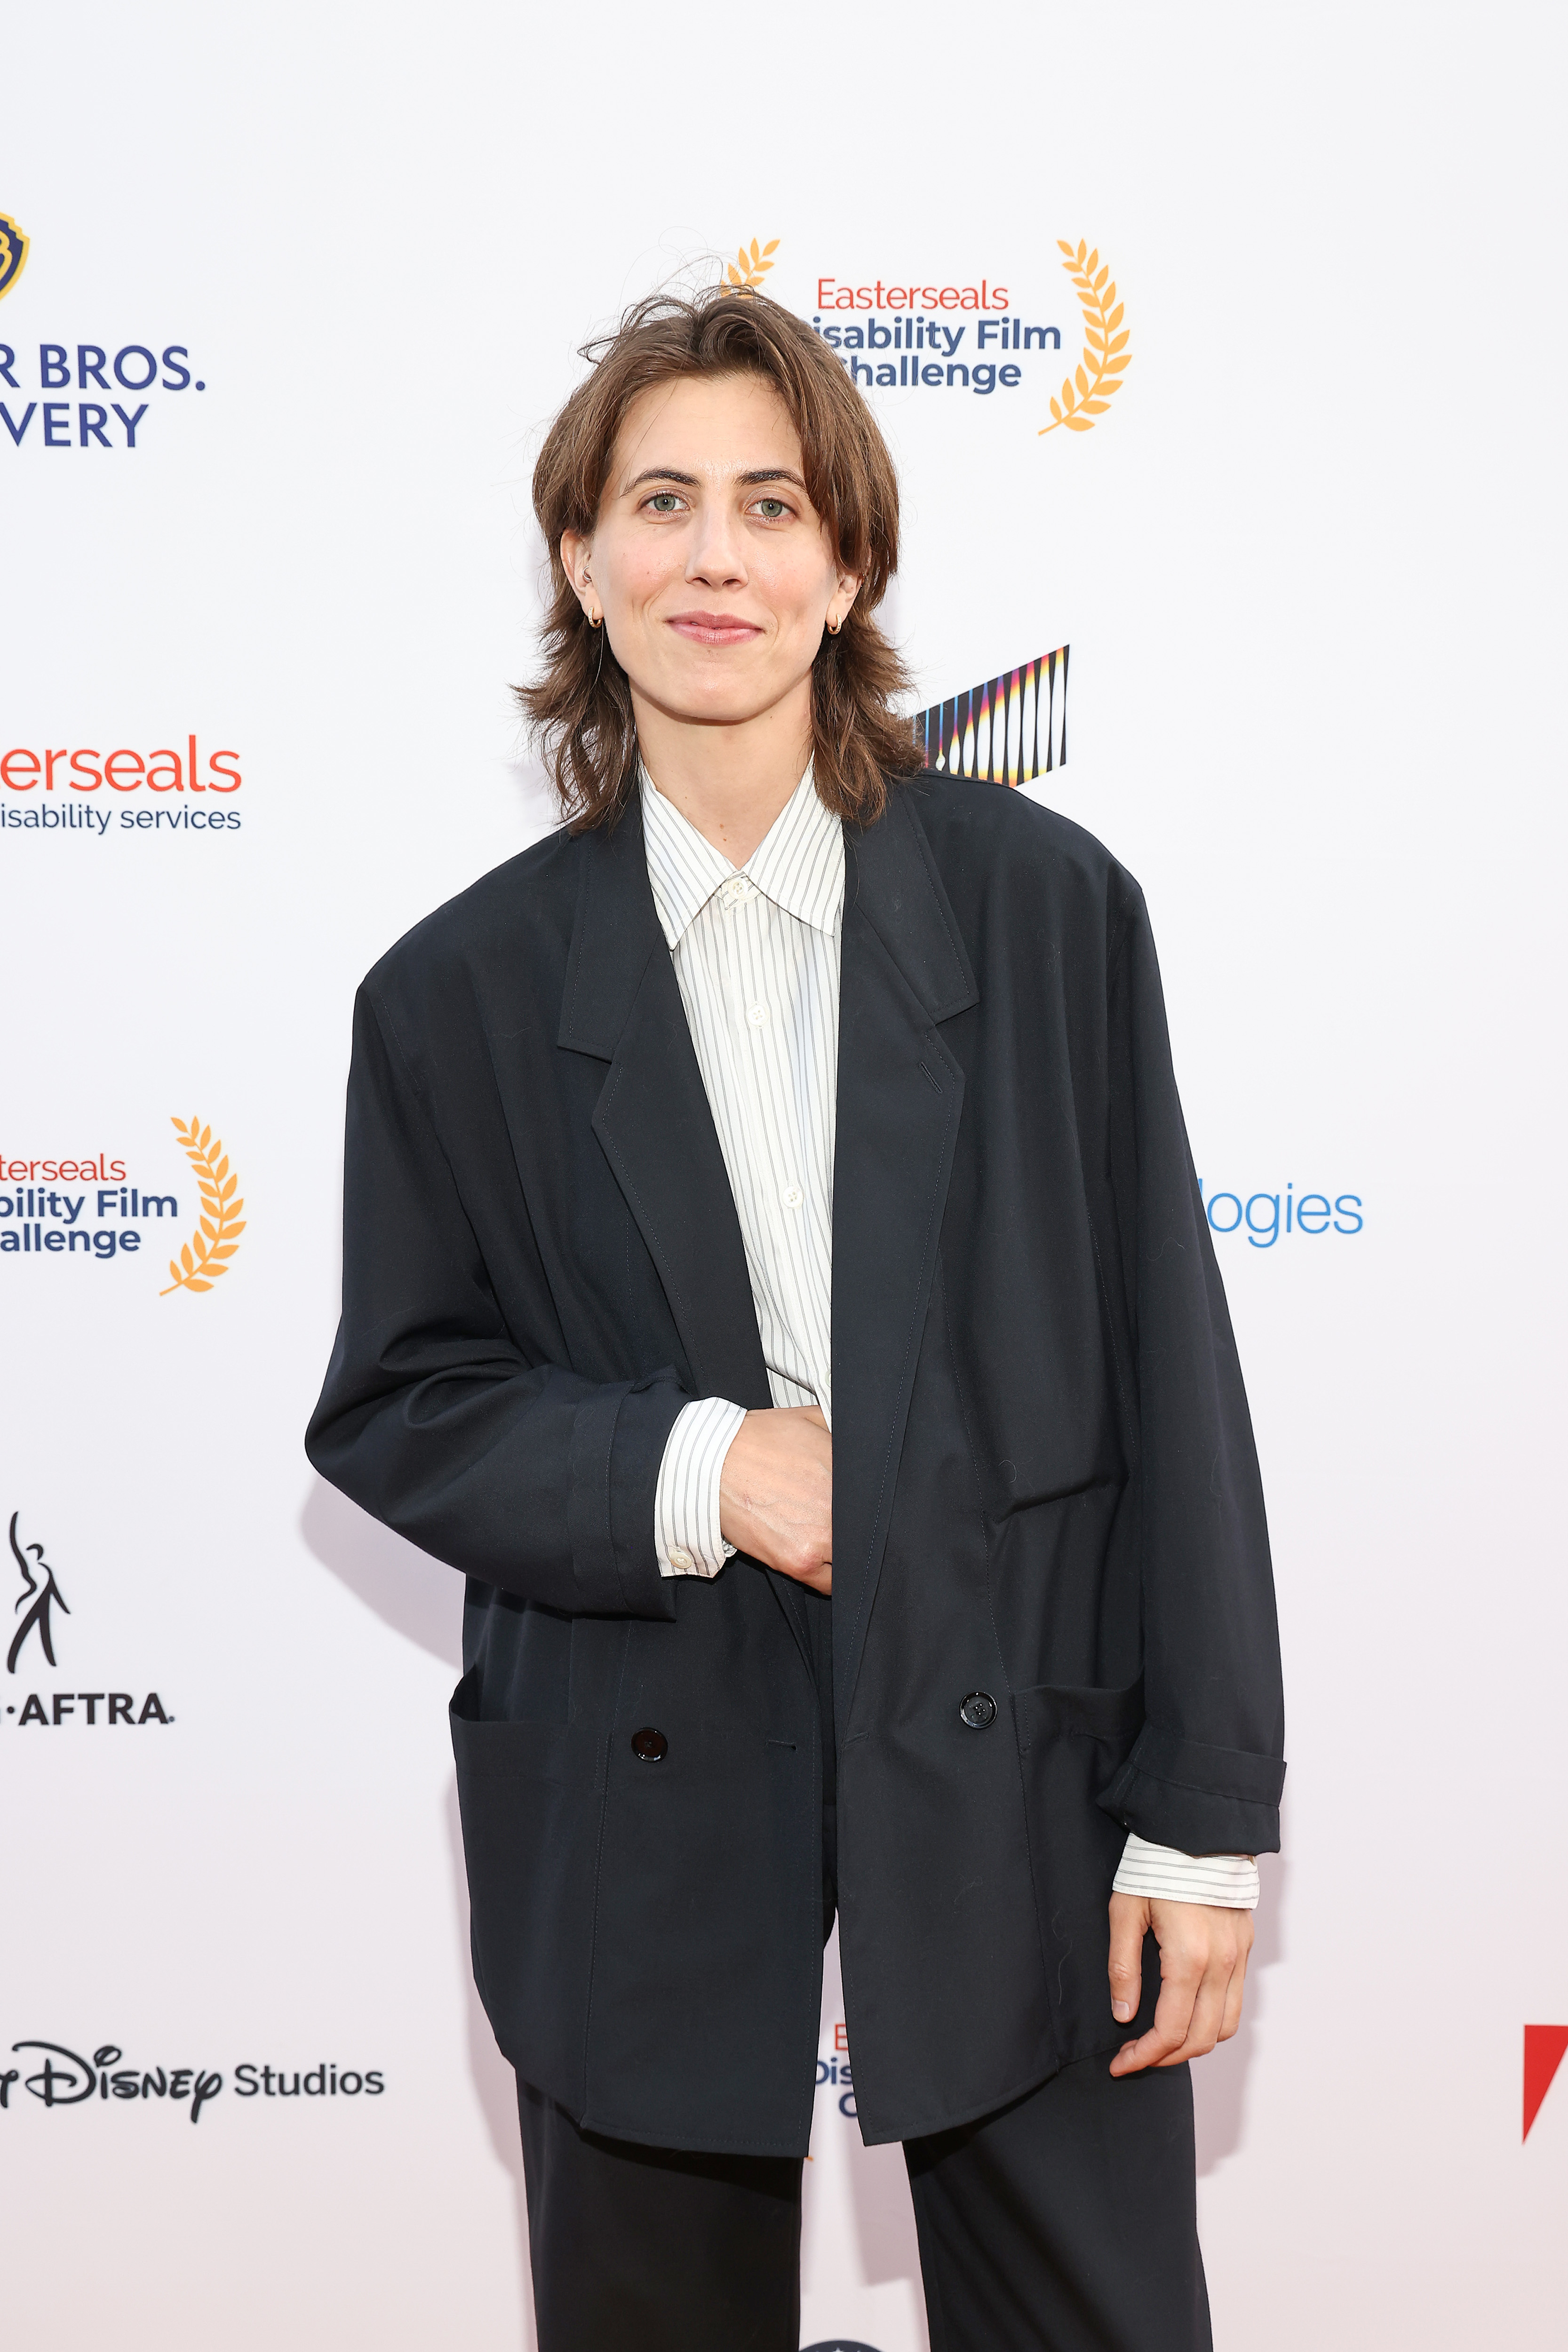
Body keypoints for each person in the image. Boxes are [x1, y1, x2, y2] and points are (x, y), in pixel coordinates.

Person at [305, 286, 1284, 2352]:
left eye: (772, 503)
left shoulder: (1048, 911)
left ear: (848, 565)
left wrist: (1204, 1814)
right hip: (635, 1790)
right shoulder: (452, 994)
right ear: (582, 558)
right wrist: (703, 1462)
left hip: (1031, 1763)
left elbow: (1173, 1377)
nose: (714, 554)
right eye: (659, 501)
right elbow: (401, 1402)